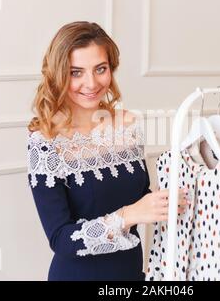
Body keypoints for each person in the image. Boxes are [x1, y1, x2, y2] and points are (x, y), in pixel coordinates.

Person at [26, 21, 189, 281]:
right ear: (58, 74)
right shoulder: (46, 142)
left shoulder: (127, 124)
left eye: (100, 69)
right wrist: (130, 215)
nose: (91, 83)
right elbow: (61, 239)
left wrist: (167, 201)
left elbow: (139, 194)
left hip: (131, 273)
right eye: (75, 72)